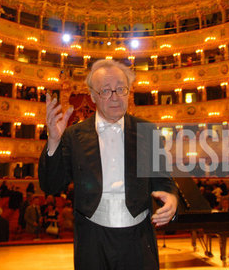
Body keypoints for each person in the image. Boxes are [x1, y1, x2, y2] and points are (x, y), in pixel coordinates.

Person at [39, 59, 178, 269]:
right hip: (92, 238)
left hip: (138, 237)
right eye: (106, 90)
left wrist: (172, 198)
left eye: (120, 89)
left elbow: (163, 181)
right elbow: (51, 186)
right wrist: (54, 142)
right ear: (93, 96)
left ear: (128, 93)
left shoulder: (148, 131)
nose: (115, 97)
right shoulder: (74, 135)